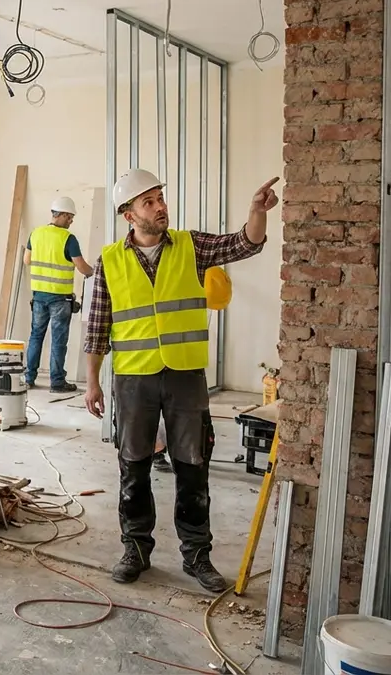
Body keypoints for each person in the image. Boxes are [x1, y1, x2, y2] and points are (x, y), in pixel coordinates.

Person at [82, 169, 278, 592]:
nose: (160, 206)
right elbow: (97, 325)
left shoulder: (191, 246)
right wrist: (92, 381)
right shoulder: (110, 260)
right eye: (149, 202)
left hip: (186, 376)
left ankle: (197, 555)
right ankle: (135, 547)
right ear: (129, 214)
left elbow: (244, 243)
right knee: (133, 465)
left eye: (160, 198)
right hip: (134, 379)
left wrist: (256, 213)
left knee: (192, 465)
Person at [151, 266, 232, 474]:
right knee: (161, 410)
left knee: (188, 414)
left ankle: (187, 452)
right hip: (156, 358)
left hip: (185, 361)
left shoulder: (205, 273)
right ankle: (158, 450)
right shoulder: (173, 274)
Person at [23, 196, 93, 393]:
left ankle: (29, 378)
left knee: (36, 336)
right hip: (60, 299)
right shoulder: (68, 239)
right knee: (58, 340)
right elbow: (82, 267)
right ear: (60, 215)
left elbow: (27, 260)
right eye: (69, 217)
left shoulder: (36, 233)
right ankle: (57, 382)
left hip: (38, 297)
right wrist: (95, 273)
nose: (71, 221)